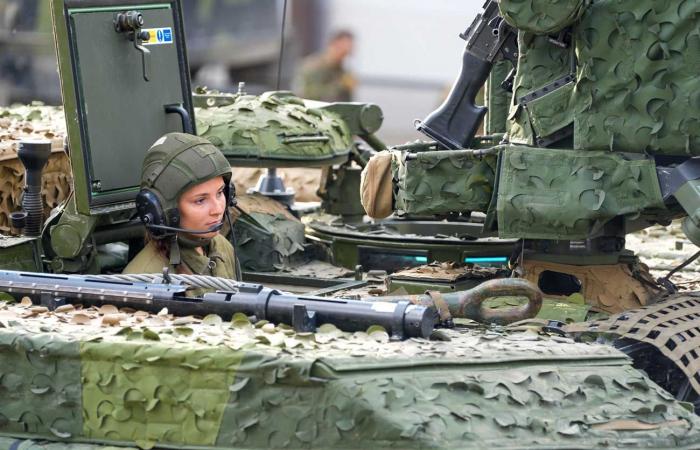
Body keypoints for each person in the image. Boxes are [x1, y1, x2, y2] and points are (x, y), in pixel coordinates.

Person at [123, 132, 240, 281]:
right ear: (162, 210)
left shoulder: (222, 247)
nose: (217, 209)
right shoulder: (144, 279)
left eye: (219, 193)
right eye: (200, 200)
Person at [295, 29, 356, 102]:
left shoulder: (342, 71)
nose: (344, 56)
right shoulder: (313, 66)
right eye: (343, 50)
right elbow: (307, 95)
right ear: (334, 44)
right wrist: (340, 86)